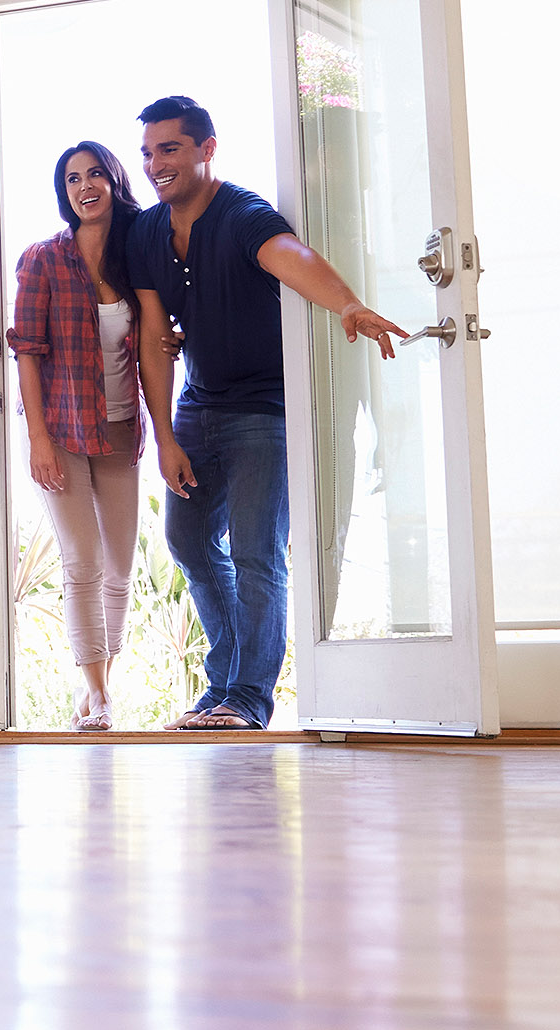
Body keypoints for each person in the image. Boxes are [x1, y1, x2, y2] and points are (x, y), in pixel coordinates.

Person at [126, 96, 400, 730]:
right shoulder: (145, 233)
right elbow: (150, 336)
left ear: (205, 148)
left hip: (263, 412)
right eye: (147, 152)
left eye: (170, 148)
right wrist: (164, 436)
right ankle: (224, 687)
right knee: (189, 541)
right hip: (199, 406)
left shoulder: (241, 212)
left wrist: (348, 305)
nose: (156, 164)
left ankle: (247, 701)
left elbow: (290, 257)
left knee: (256, 552)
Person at [8, 140, 152, 731]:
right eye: (72, 179)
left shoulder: (137, 257)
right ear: (64, 193)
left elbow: (161, 333)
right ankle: (97, 694)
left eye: (95, 174)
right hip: (61, 430)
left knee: (119, 565)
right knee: (83, 561)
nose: (85, 186)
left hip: (119, 426)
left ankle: (101, 684)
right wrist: (39, 438)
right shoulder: (42, 259)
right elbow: (27, 352)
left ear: (115, 181)